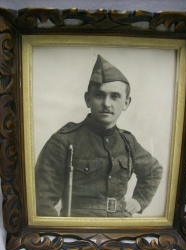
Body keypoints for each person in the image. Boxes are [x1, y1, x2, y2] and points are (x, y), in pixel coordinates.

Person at [35, 54, 163, 217]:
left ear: (126, 103)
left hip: (121, 226)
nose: (107, 104)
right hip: (79, 228)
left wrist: (140, 200)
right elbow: (42, 201)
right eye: (99, 95)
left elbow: (154, 170)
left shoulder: (128, 142)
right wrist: (60, 233)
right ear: (88, 99)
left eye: (115, 96)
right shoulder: (64, 140)